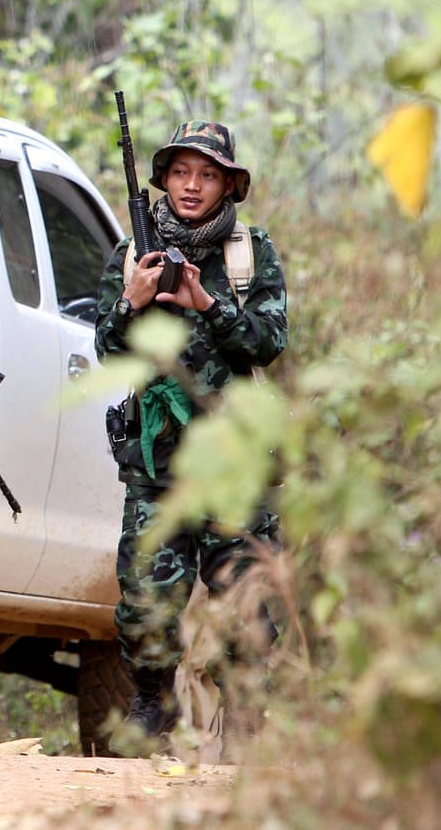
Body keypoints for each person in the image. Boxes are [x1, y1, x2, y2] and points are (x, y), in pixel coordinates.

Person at [92, 120, 287, 746]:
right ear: (163, 180)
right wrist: (133, 300)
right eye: (180, 172)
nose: (192, 186)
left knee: (246, 600)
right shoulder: (132, 253)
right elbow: (105, 348)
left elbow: (268, 341)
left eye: (207, 174)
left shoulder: (249, 254)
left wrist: (209, 304)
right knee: (145, 598)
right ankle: (154, 703)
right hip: (158, 463)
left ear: (228, 185)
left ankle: (249, 718)